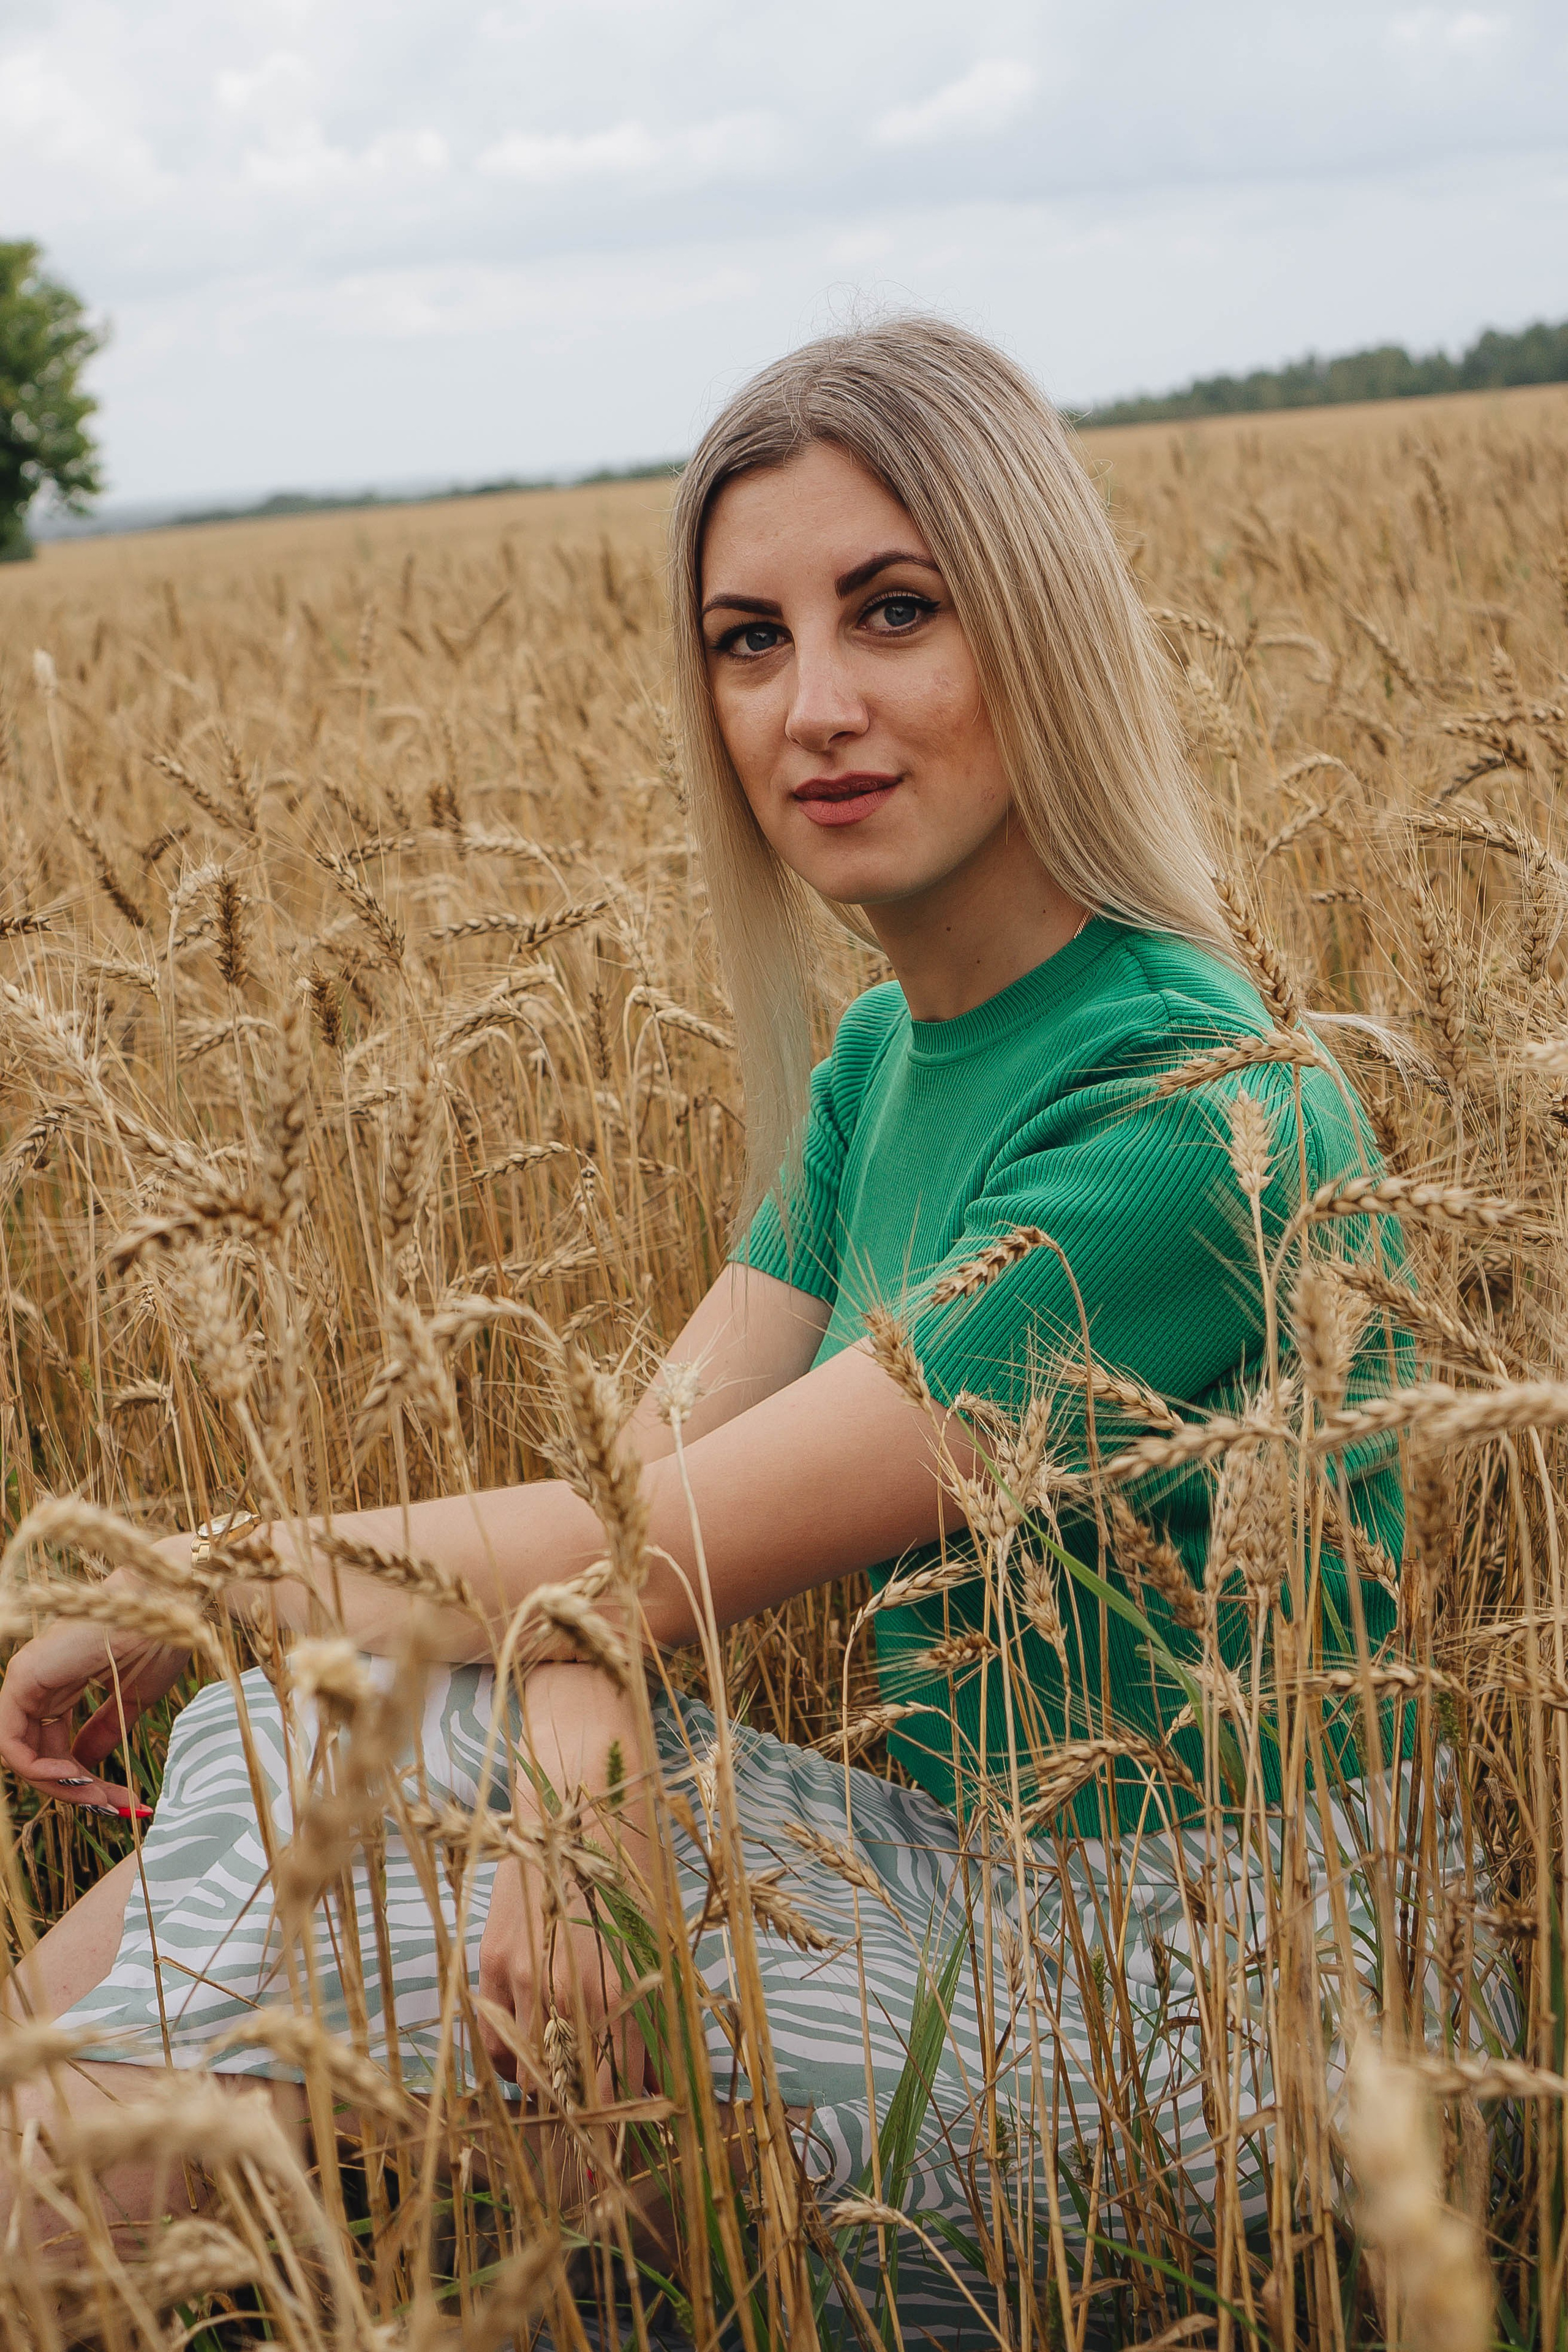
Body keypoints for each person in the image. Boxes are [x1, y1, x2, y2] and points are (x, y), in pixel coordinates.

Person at [0, 318, 1422, 2340]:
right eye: (749, 640)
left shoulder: (1202, 1130)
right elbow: (643, 1495)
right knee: (318, 1733)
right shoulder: (879, 1062)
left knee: (331, 1900)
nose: (814, 705)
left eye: (895, 611)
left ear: (1043, 630)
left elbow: (642, 1547)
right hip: (974, 1881)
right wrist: (588, 1751)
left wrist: (183, 1580)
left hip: (1212, 2010)